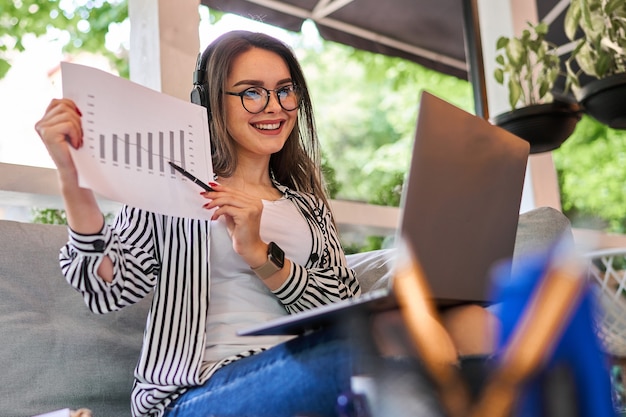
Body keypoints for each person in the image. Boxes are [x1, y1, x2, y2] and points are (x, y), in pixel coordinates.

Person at [35, 30, 496, 417]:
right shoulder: (171, 189)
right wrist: (72, 179)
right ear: (211, 100)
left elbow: (342, 302)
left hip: (304, 362)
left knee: (474, 323)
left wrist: (261, 255)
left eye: (284, 89)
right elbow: (106, 289)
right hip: (200, 391)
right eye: (252, 91)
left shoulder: (309, 207)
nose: (273, 106)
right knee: (379, 346)